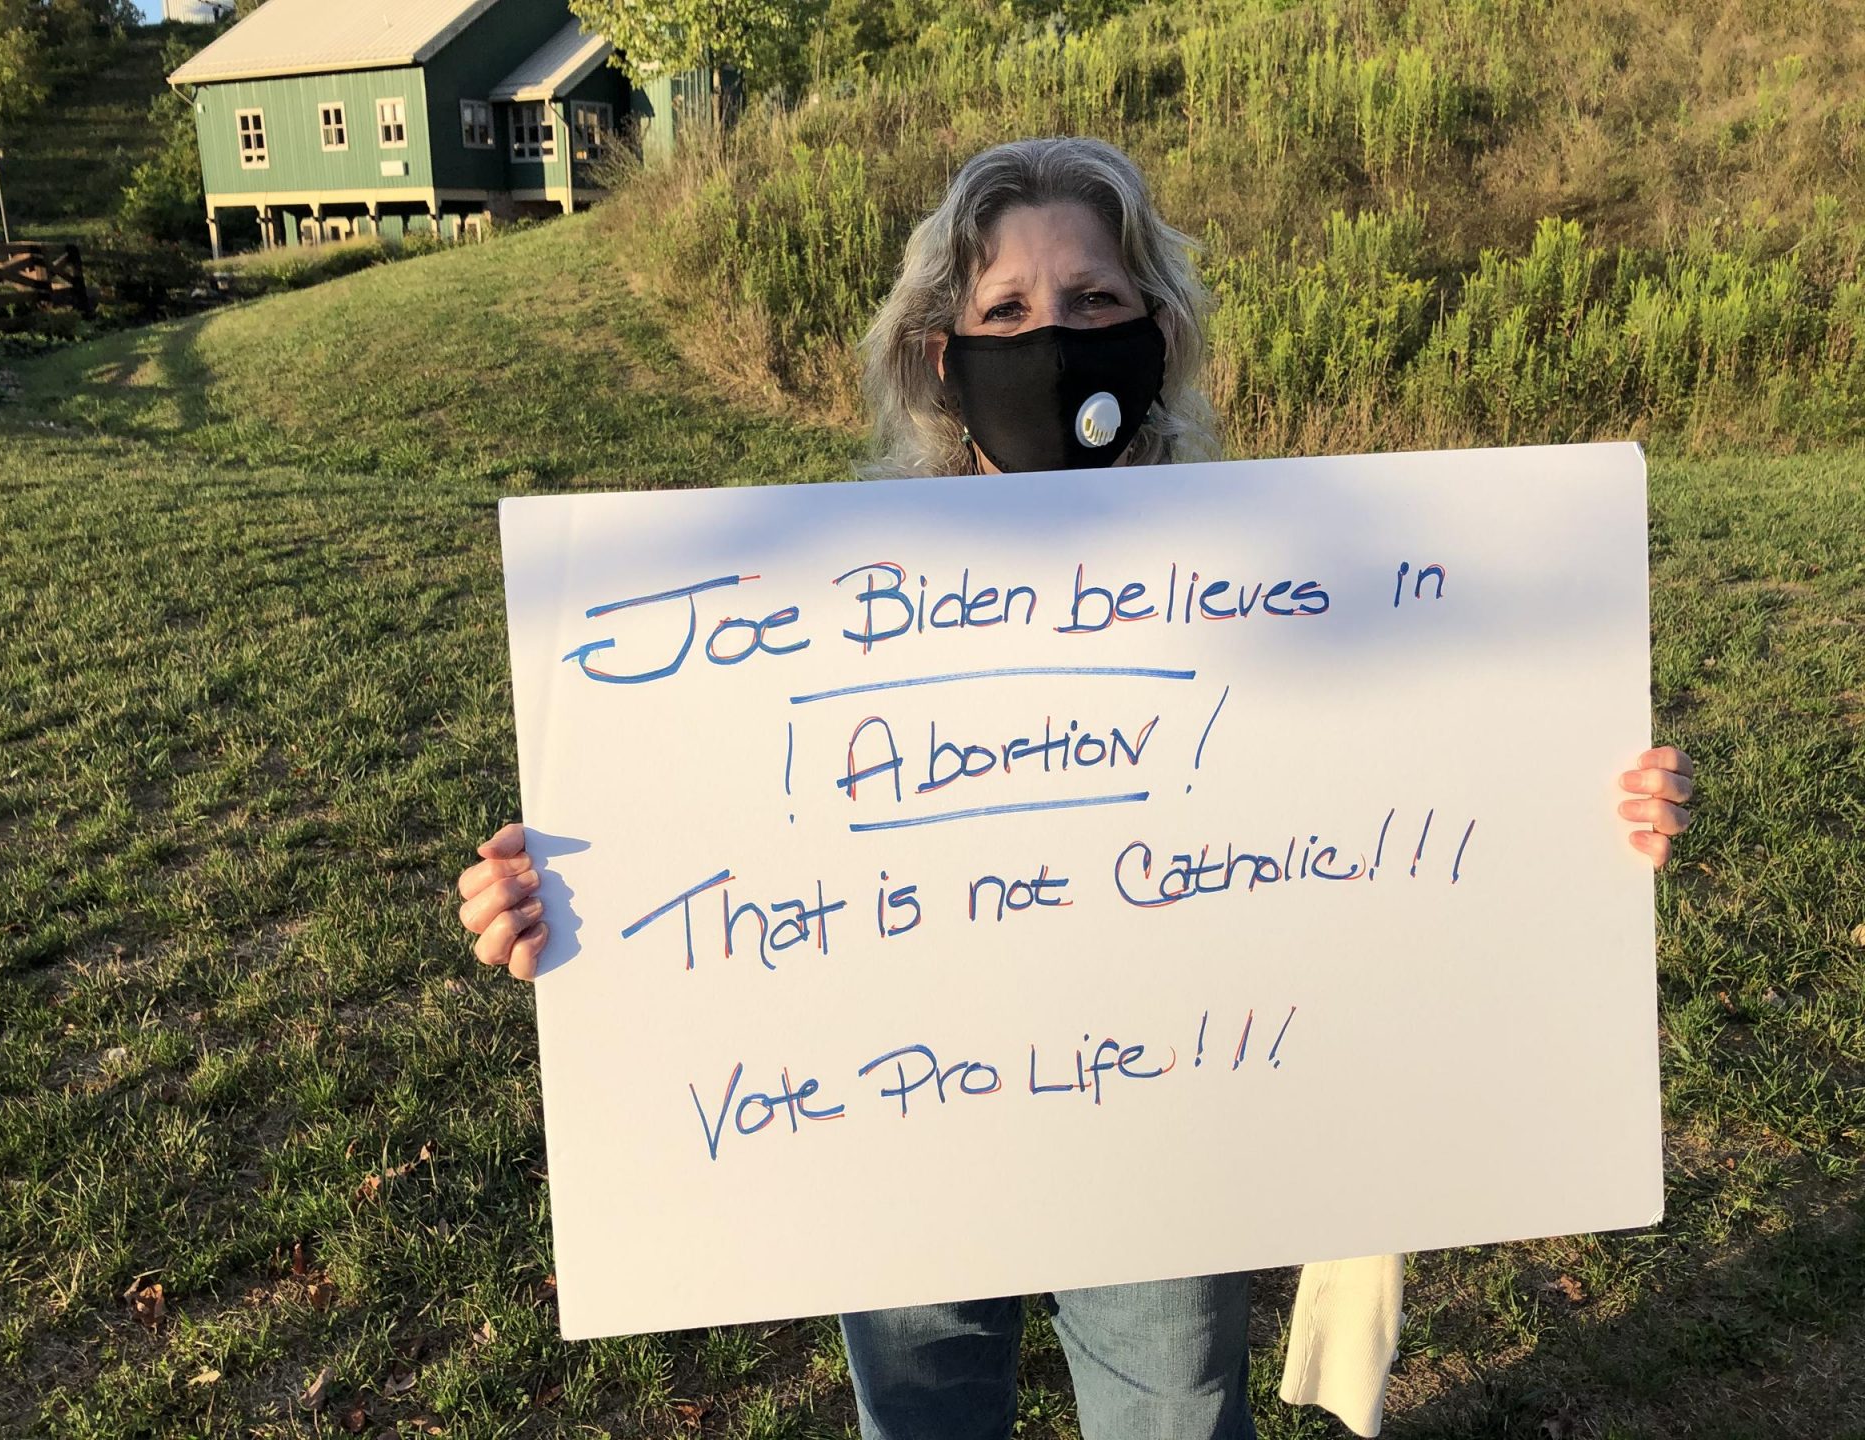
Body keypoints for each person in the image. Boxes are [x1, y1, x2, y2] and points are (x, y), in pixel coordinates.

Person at [454, 137, 1696, 1440]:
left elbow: (1406, 821)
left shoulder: (1280, 587)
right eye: (1008, 312)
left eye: (1094, 304)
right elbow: (703, 843)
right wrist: (560, 906)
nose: (1053, 342)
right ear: (944, 353)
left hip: (1157, 1129)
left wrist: (1582, 810)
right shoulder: (819, 613)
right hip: (887, 1126)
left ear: (1154, 334)